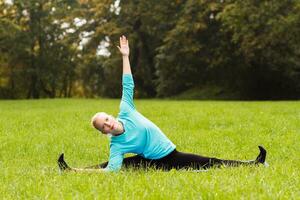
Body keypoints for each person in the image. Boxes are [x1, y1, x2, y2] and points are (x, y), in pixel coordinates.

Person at [58, 35, 267, 173]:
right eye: (103, 126)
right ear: (103, 132)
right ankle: (73, 171)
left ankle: (254, 164)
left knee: (209, 162)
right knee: (115, 166)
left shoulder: (126, 110)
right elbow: (111, 171)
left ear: (111, 117)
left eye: (106, 119)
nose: (107, 124)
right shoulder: (117, 145)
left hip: (170, 155)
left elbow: (127, 84)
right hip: (150, 162)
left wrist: (125, 57)